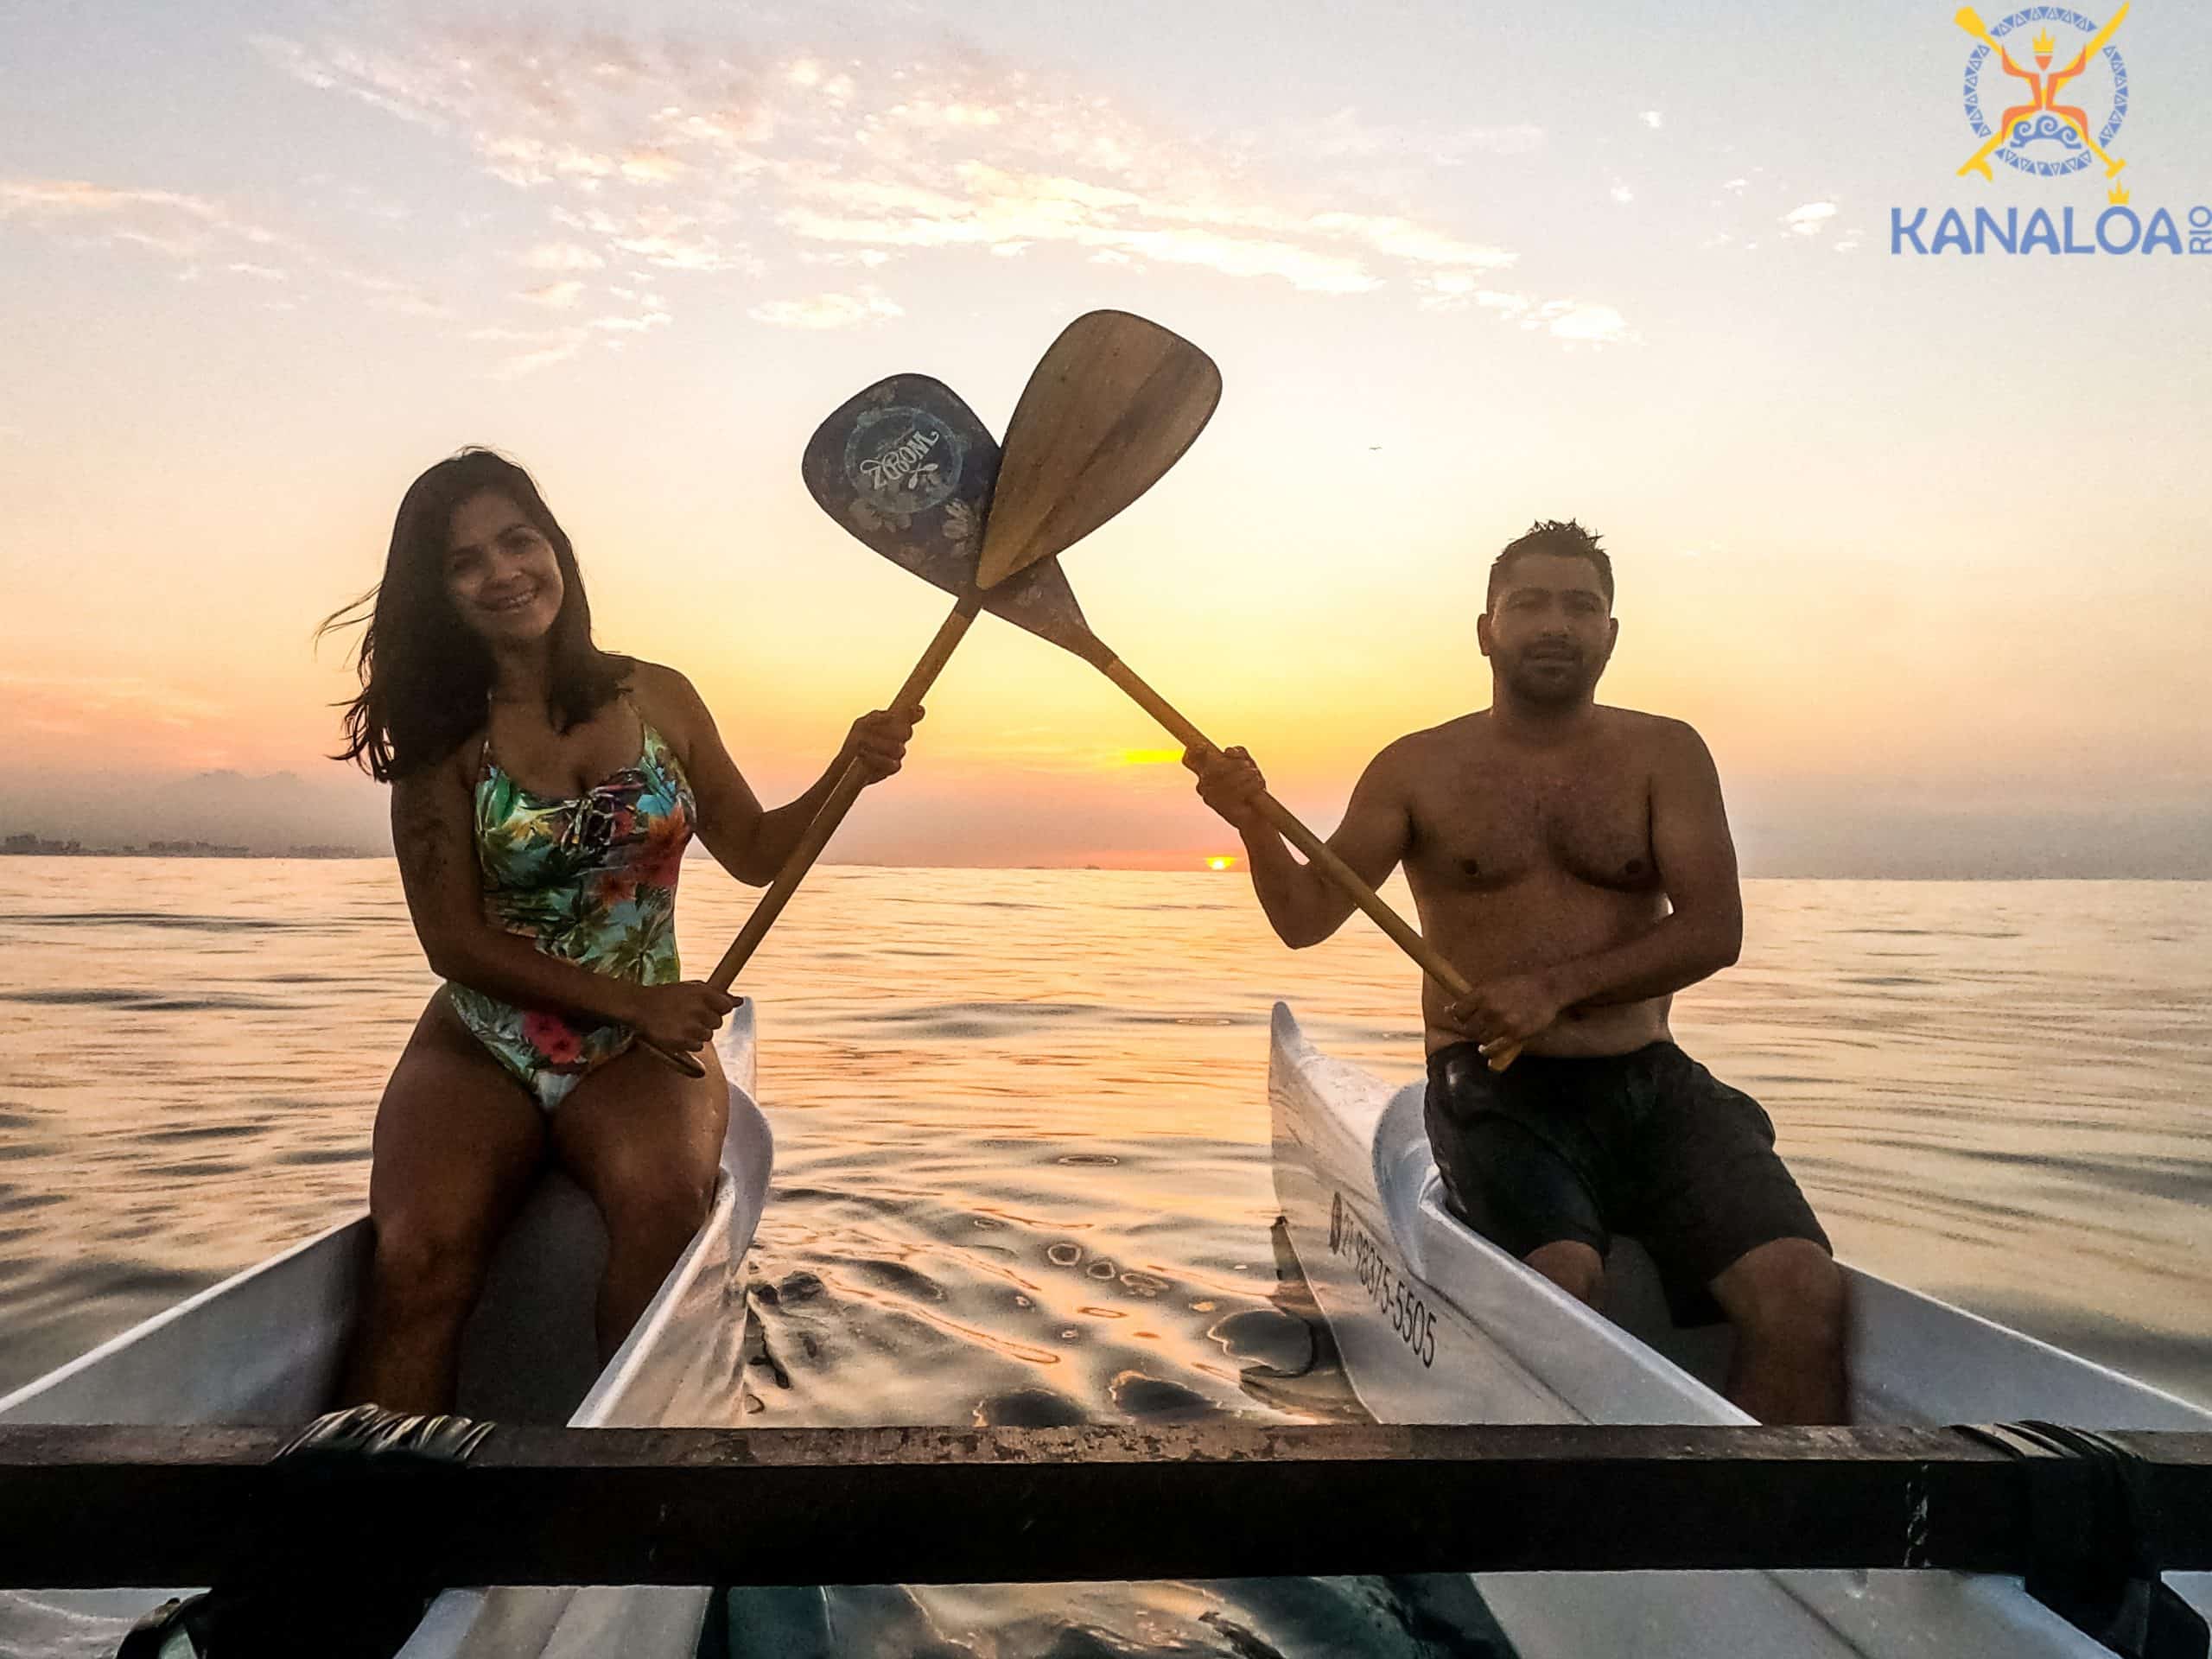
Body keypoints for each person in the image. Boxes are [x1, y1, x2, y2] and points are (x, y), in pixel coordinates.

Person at [1185, 519, 1846, 1423]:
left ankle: (1774, 1534)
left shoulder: (1665, 754)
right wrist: (1252, 824)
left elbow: (1712, 931)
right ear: (1485, 628)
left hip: (1650, 1084)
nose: (1555, 624)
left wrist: (1553, 989)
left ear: (1611, 632)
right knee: (1562, 1284)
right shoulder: (1417, 768)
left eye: (1582, 606)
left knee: (1803, 1289)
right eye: (1528, 602)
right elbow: (1305, 920)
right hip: (1494, 1090)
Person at [322, 448, 916, 1411]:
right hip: (486, 1039)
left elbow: (758, 849)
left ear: (557, 547)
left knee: (664, 1215)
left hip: (636, 1051)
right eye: (466, 561)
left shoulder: (660, 695)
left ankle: (611, 1489)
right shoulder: (440, 736)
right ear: (439, 593)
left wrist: (849, 770)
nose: (504, 572)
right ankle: (381, 1521)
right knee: (419, 1258)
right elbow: (454, 943)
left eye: (520, 540)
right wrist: (641, 1002)